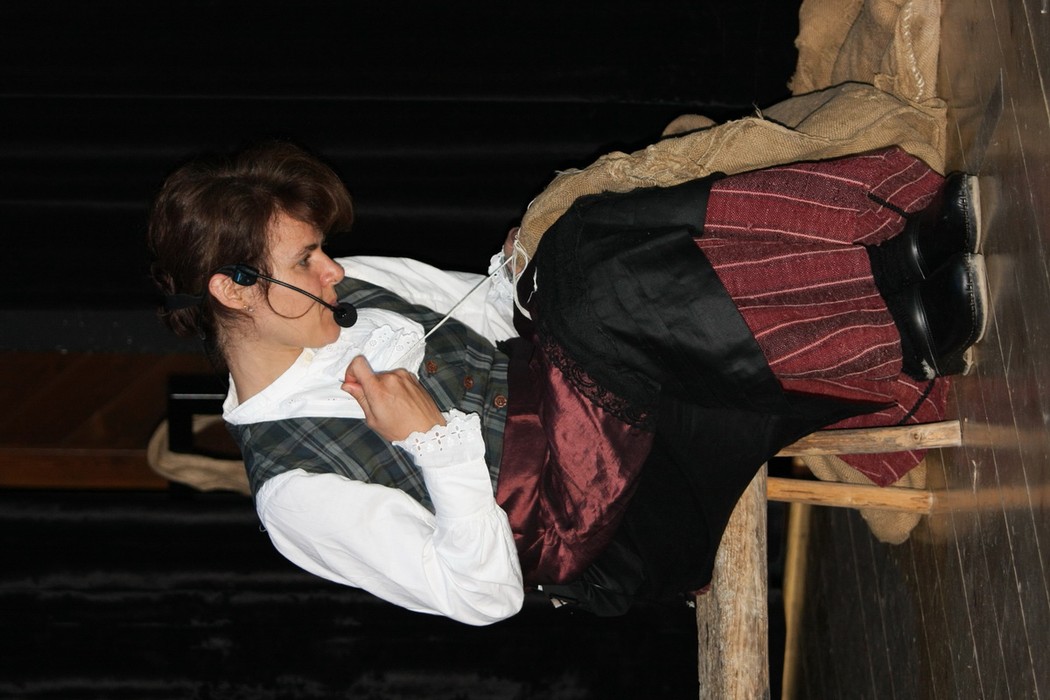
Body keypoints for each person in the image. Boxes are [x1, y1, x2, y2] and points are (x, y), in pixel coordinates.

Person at [148, 141, 987, 625]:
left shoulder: (355, 284)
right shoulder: (293, 493)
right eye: (306, 261)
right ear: (235, 290)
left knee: (583, 237)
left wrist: (525, 261)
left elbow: (498, 315)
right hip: (605, 533)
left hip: (589, 403)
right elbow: (484, 597)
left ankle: (892, 259)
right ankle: (909, 329)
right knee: (604, 298)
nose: (333, 270)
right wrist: (432, 444)